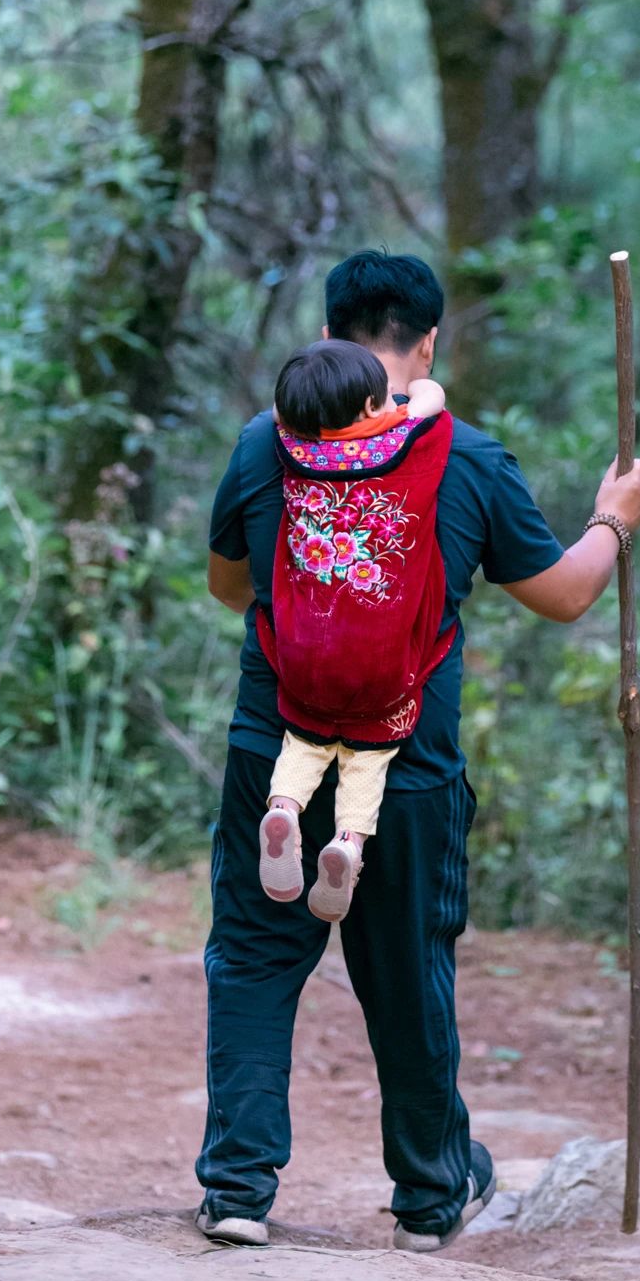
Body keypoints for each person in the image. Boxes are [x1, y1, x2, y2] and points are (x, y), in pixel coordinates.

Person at [198, 250, 640, 1252]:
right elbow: (562, 595)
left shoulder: (264, 443)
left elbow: (230, 589)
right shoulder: (467, 458)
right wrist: (612, 522)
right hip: (407, 766)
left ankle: (236, 1190)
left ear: (327, 333)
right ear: (428, 343)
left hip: (273, 750)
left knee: (254, 960)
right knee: (407, 972)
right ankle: (430, 1198)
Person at [260, 339, 452, 922]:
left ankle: (284, 809)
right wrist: (403, 398)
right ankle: (348, 843)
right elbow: (431, 398)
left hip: (304, 655)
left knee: (303, 740)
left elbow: (281, 411)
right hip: (380, 664)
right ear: (372, 407)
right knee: (369, 758)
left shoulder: (291, 448)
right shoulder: (413, 446)